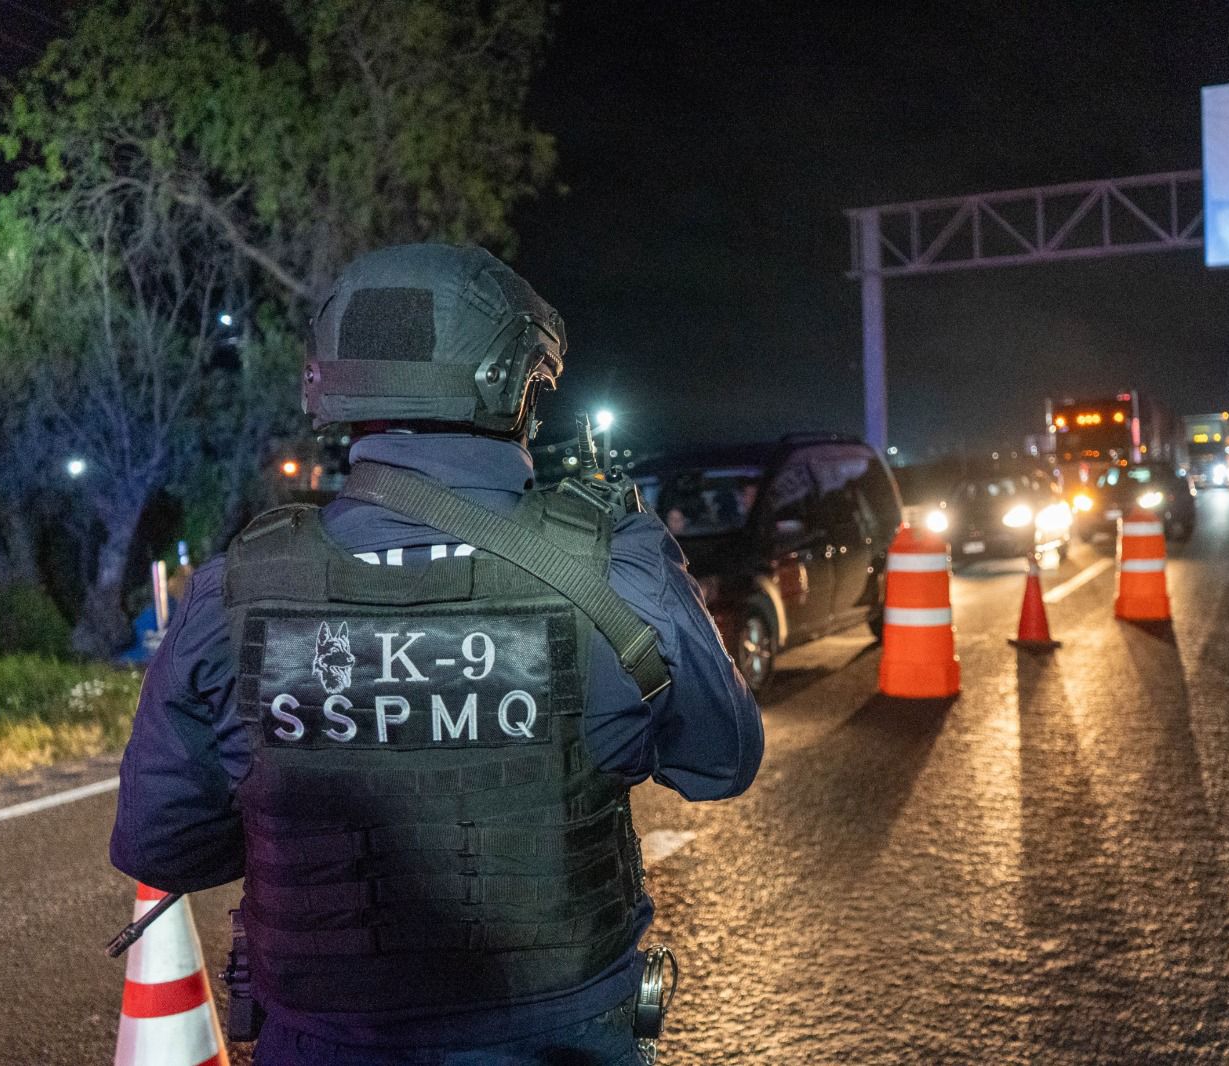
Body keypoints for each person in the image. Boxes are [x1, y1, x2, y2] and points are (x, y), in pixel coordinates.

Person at [110, 243, 764, 1065]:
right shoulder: (612, 564)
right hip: (561, 1039)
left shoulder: (233, 591)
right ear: (512, 386)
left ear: (335, 387)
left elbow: (159, 845)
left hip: (322, 1040)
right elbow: (722, 761)